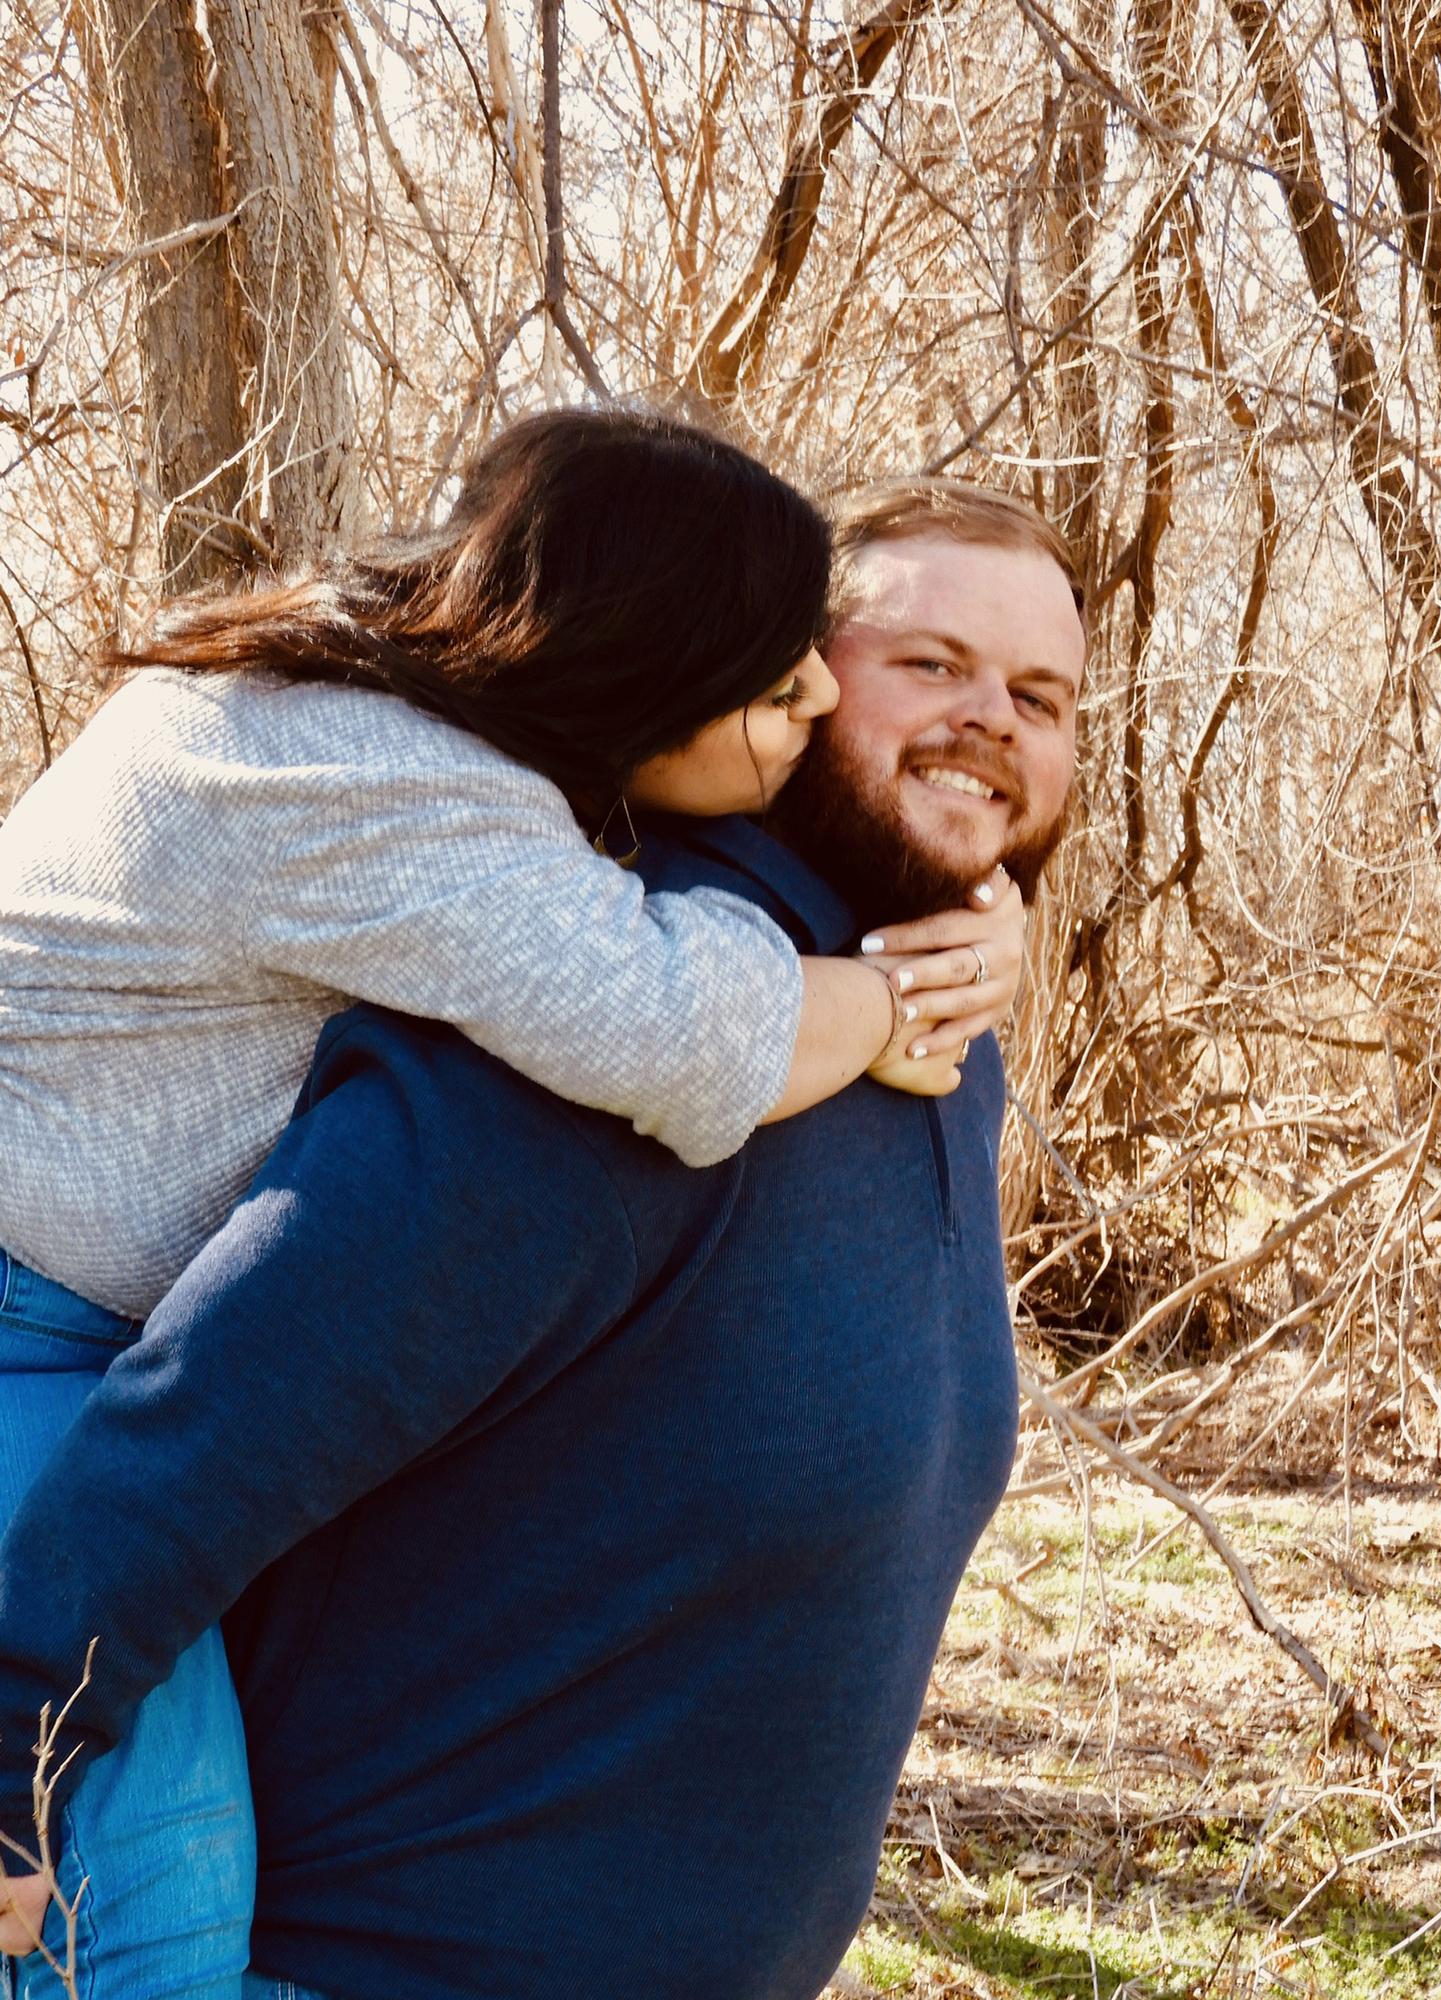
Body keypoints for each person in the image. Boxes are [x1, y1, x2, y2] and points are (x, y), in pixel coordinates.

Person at [0, 477, 1085, 2000]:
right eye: (930, 663)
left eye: (1039, 695)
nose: (988, 719)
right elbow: (216, 1411)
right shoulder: (582, 1017)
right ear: (745, 667)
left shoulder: (927, 1029)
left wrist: (927, 986)